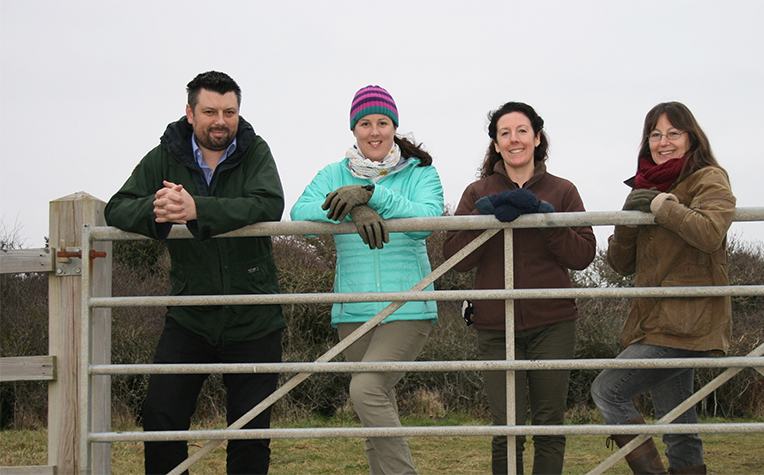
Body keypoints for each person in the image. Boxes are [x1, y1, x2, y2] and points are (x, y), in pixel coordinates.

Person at [104, 71, 285, 475]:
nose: (221, 121)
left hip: (254, 315)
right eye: (210, 112)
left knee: (250, 433)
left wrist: (197, 208)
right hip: (190, 314)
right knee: (160, 417)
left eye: (229, 112)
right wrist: (159, 207)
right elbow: (117, 207)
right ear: (190, 113)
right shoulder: (165, 155)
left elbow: (269, 202)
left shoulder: (255, 150)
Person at [290, 85, 443, 475]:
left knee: (365, 390)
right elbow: (301, 214)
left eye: (383, 122)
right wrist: (351, 210)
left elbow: (426, 221)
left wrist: (372, 196)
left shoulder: (421, 172)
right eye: (365, 123)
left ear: (394, 127)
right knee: (374, 406)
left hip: (407, 307)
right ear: (353, 129)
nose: (374, 132)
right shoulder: (333, 173)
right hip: (353, 310)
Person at [443, 102, 596, 475]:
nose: (515, 139)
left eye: (522, 131)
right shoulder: (477, 191)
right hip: (495, 326)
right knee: (507, 429)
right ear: (496, 144)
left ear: (537, 138)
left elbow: (582, 255)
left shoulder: (563, 190)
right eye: (505, 133)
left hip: (553, 322)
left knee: (549, 426)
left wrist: (546, 218)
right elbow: (455, 259)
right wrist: (484, 216)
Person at [590, 102, 736, 475]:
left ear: (692, 138)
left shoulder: (708, 178)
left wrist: (660, 206)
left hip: (688, 319)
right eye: (655, 134)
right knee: (678, 423)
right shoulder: (647, 186)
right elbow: (620, 264)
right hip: (655, 320)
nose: (663, 142)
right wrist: (628, 218)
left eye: (673, 133)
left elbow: (710, 232)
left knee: (608, 390)